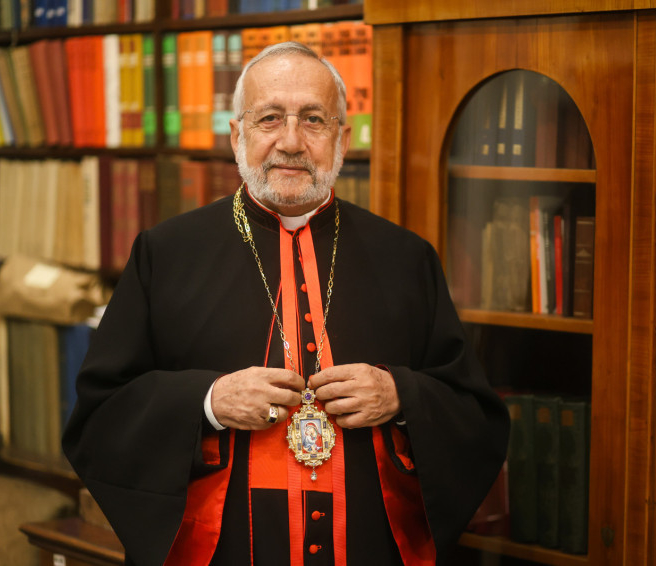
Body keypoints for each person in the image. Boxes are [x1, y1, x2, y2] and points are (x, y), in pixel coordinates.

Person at [62, 41, 509, 566]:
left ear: (342, 139)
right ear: (237, 136)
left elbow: (475, 417)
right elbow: (100, 416)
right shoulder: (166, 254)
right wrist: (208, 401)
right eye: (270, 118)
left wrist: (401, 395)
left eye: (314, 120)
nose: (291, 142)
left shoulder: (406, 259)